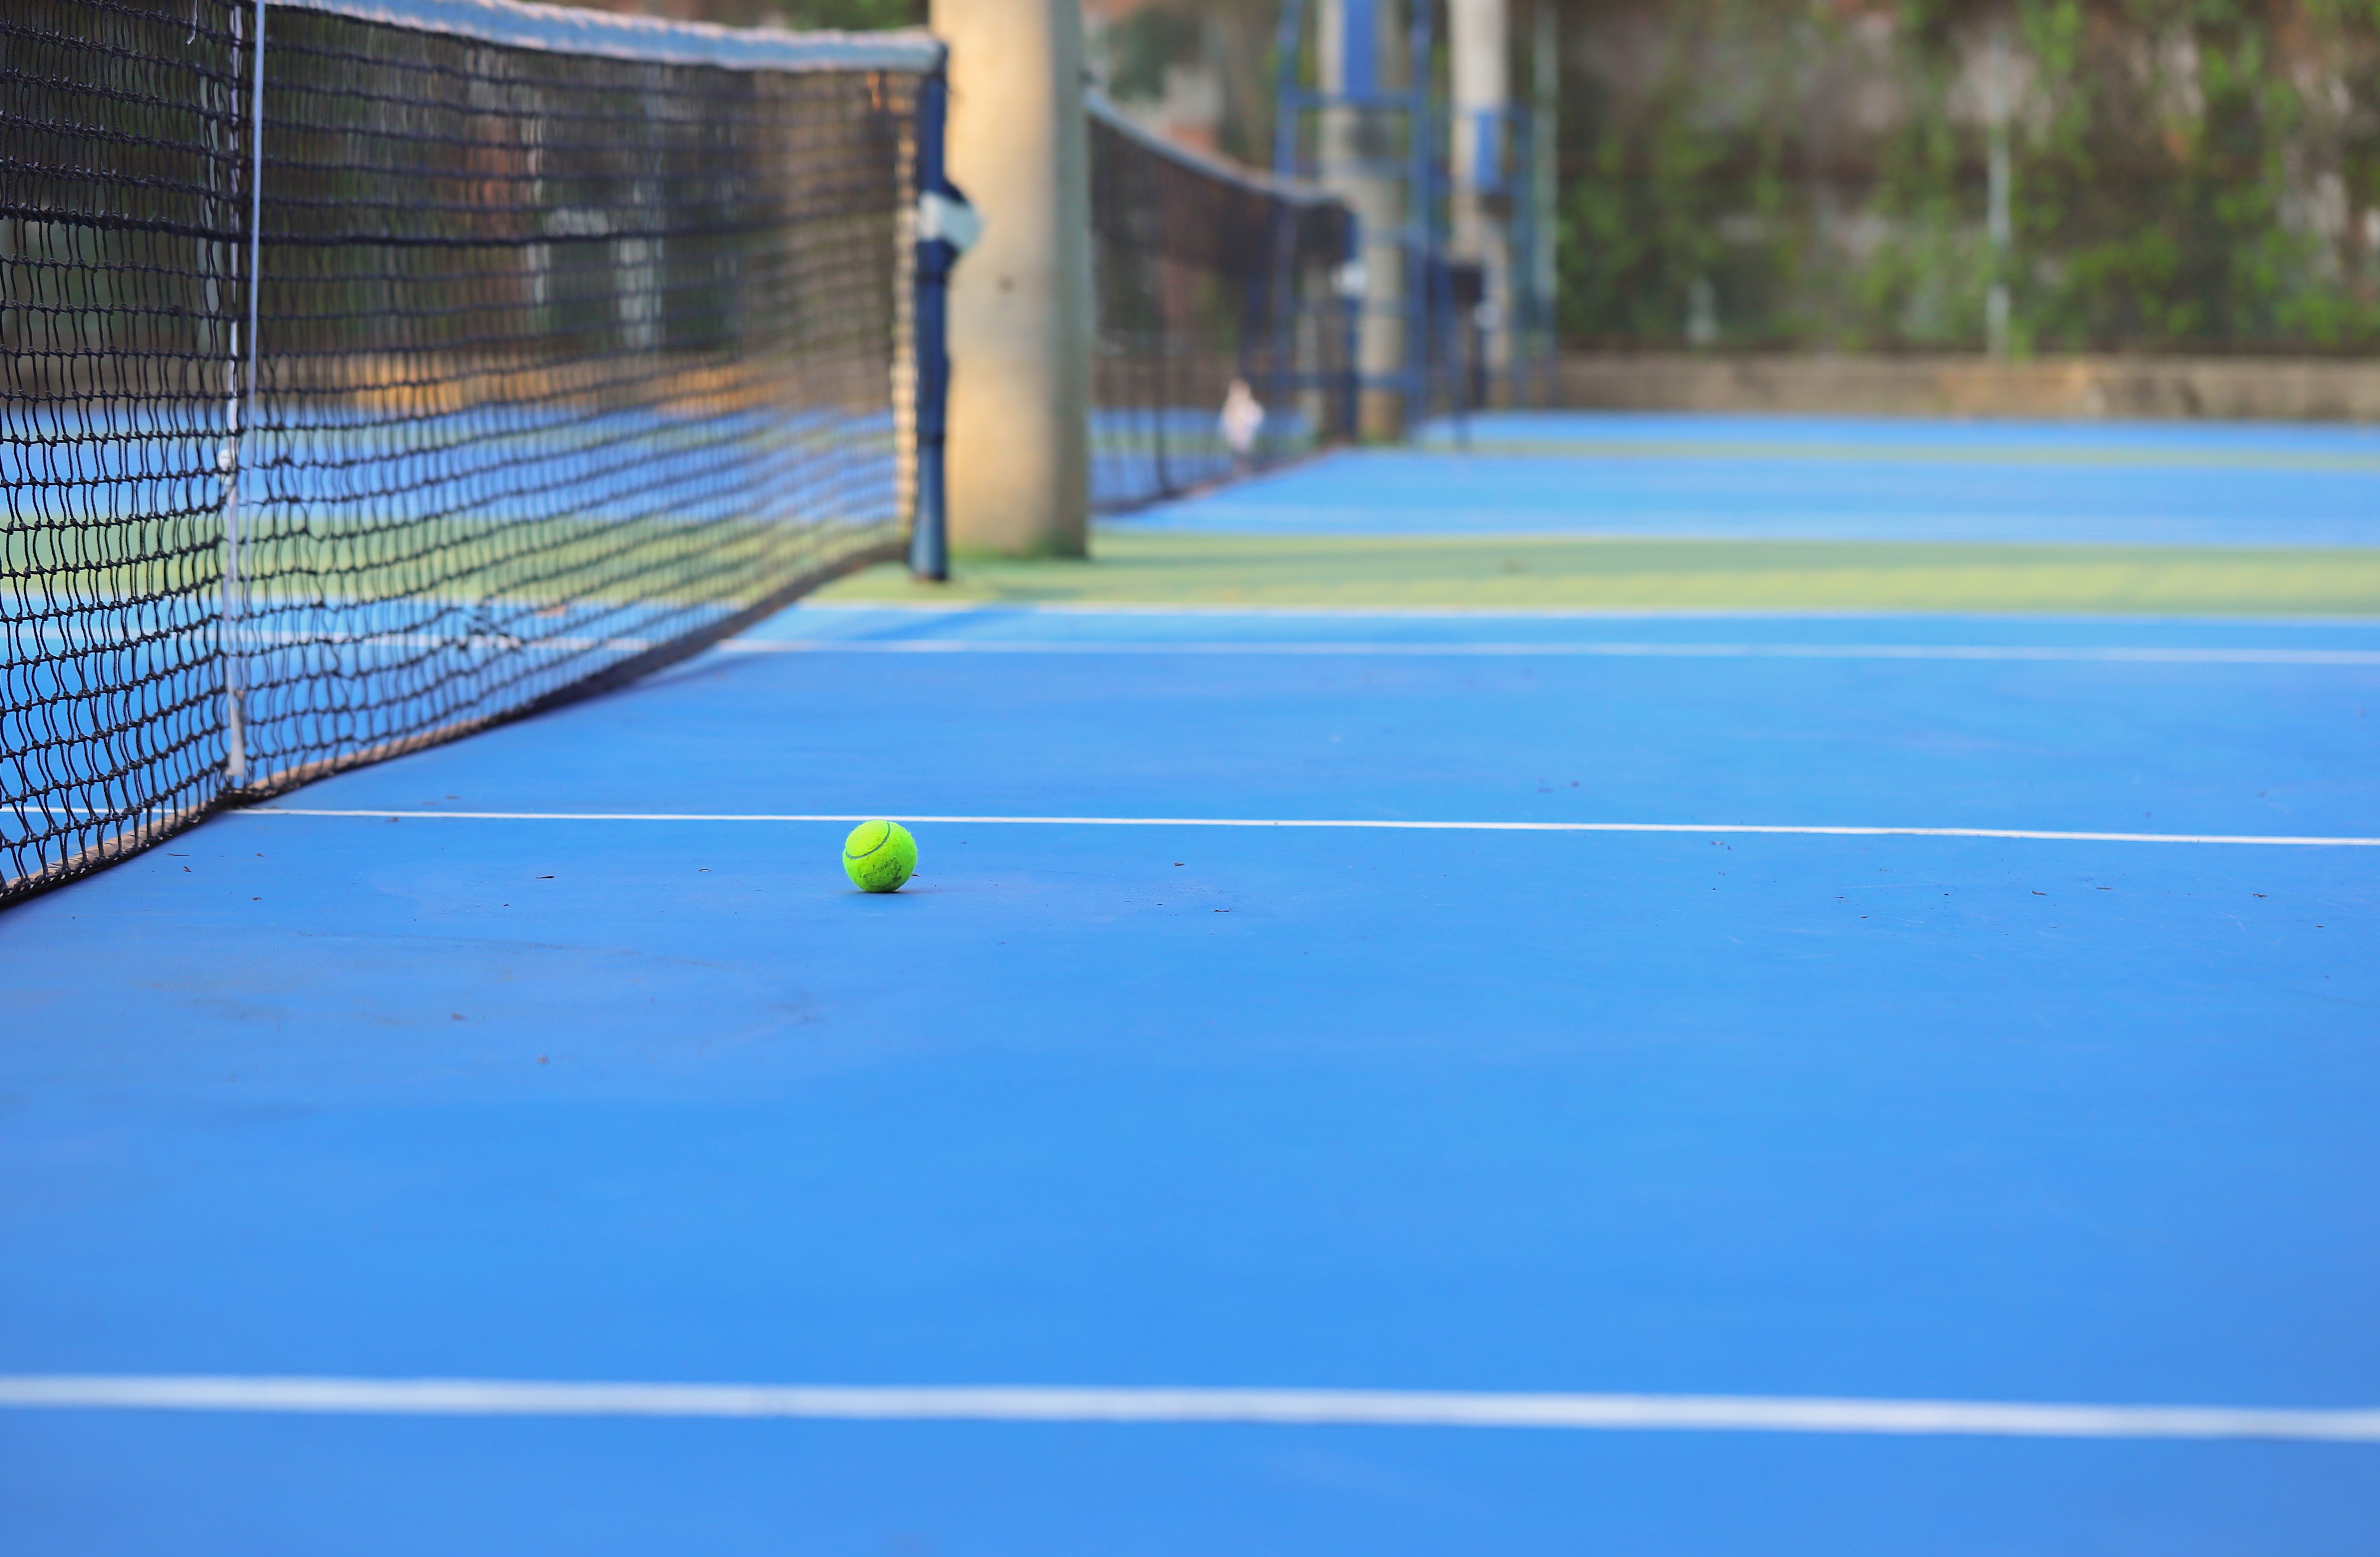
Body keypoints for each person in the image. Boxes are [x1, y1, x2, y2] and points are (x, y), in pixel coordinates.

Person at [1219, 377, 1264, 475]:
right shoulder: (1229, 409)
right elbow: (1225, 426)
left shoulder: (1252, 408)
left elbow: (1257, 421)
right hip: (1235, 447)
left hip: (1249, 447)